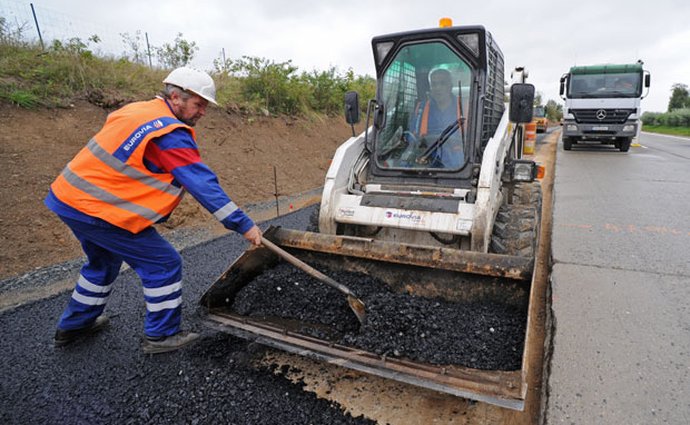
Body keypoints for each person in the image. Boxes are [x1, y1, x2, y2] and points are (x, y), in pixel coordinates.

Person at [46, 67, 262, 354]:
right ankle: (160, 335)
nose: (203, 113)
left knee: (103, 262)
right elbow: (202, 184)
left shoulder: (138, 111)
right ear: (175, 97)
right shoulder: (169, 134)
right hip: (99, 210)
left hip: (69, 198)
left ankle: (73, 326)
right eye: (199, 105)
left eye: (205, 106)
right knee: (163, 263)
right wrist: (244, 224)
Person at [407, 68, 464, 168]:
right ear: (430, 88)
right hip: (426, 159)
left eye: (442, 83)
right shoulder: (421, 109)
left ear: (450, 86)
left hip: (458, 165)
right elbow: (413, 138)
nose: (438, 88)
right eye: (434, 84)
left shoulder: (464, 107)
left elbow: (470, 141)